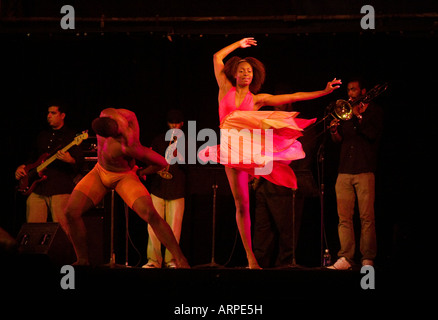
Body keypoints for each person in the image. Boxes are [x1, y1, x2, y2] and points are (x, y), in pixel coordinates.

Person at [201, 37, 341, 269]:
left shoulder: (256, 100)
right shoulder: (224, 88)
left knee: (266, 146)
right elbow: (216, 57)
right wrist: (239, 44)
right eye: (242, 70)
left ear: (254, 75)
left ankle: (262, 169)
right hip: (229, 151)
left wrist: (324, 91)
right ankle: (250, 258)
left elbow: (292, 97)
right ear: (234, 73)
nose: (246, 74)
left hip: (247, 150)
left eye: (249, 71)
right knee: (241, 204)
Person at [64, 108, 189, 268]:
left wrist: (141, 171)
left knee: (150, 214)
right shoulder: (107, 113)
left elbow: (162, 163)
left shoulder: (129, 145)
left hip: (123, 176)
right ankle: (82, 259)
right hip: (99, 171)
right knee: (70, 212)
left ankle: (180, 259)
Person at [253, 100, 319, 268]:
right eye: (275, 105)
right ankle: (258, 268)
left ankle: (284, 269)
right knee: (262, 234)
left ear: (289, 106)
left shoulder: (300, 126)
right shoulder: (269, 125)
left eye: (281, 105)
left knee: (287, 235)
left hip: (285, 186)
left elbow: (304, 154)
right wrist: (257, 176)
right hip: (265, 186)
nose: (277, 108)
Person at [327, 78, 383, 270]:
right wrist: (334, 130)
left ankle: (367, 258)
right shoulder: (346, 113)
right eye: (349, 91)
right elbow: (339, 140)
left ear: (363, 91)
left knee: (367, 218)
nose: (350, 94)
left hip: (365, 170)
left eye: (353, 90)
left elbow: (371, 135)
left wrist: (358, 118)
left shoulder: (374, 111)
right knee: (344, 218)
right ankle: (346, 257)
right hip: (344, 171)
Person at [14, 105, 84, 231]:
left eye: (53, 113)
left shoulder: (72, 136)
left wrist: (71, 160)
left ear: (62, 115)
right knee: (33, 229)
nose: (49, 116)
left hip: (60, 189)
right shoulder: (42, 135)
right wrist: (22, 167)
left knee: (63, 230)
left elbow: (80, 163)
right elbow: (33, 158)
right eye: (48, 113)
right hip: (37, 188)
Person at [138, 109, 186, 269]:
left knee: (174, 228)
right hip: (158, 188)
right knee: (153, 226)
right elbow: (150, 161)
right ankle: (153, 260)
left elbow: (190, 166)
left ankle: (171, 260)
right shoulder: (159, 140)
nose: (174, 126)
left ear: (182, 124)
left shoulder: (187, 142)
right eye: (171, 123)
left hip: (177, 189)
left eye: (177, 123)